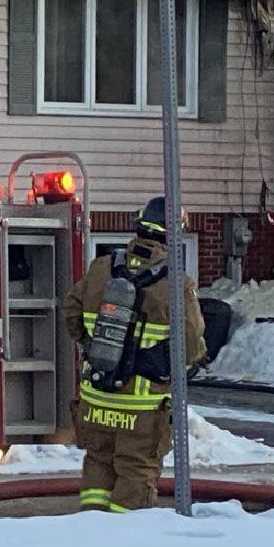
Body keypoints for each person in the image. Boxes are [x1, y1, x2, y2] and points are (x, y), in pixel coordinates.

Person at [63, 196, 206, 512]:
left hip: (96, 398)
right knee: (137, 470)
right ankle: (126, 539)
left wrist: (94, 345)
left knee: (98, 464)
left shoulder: (102, 268)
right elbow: (192, 343)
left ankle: (92, 528)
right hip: (141, 406)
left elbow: (71, 313)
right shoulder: (177, 284)